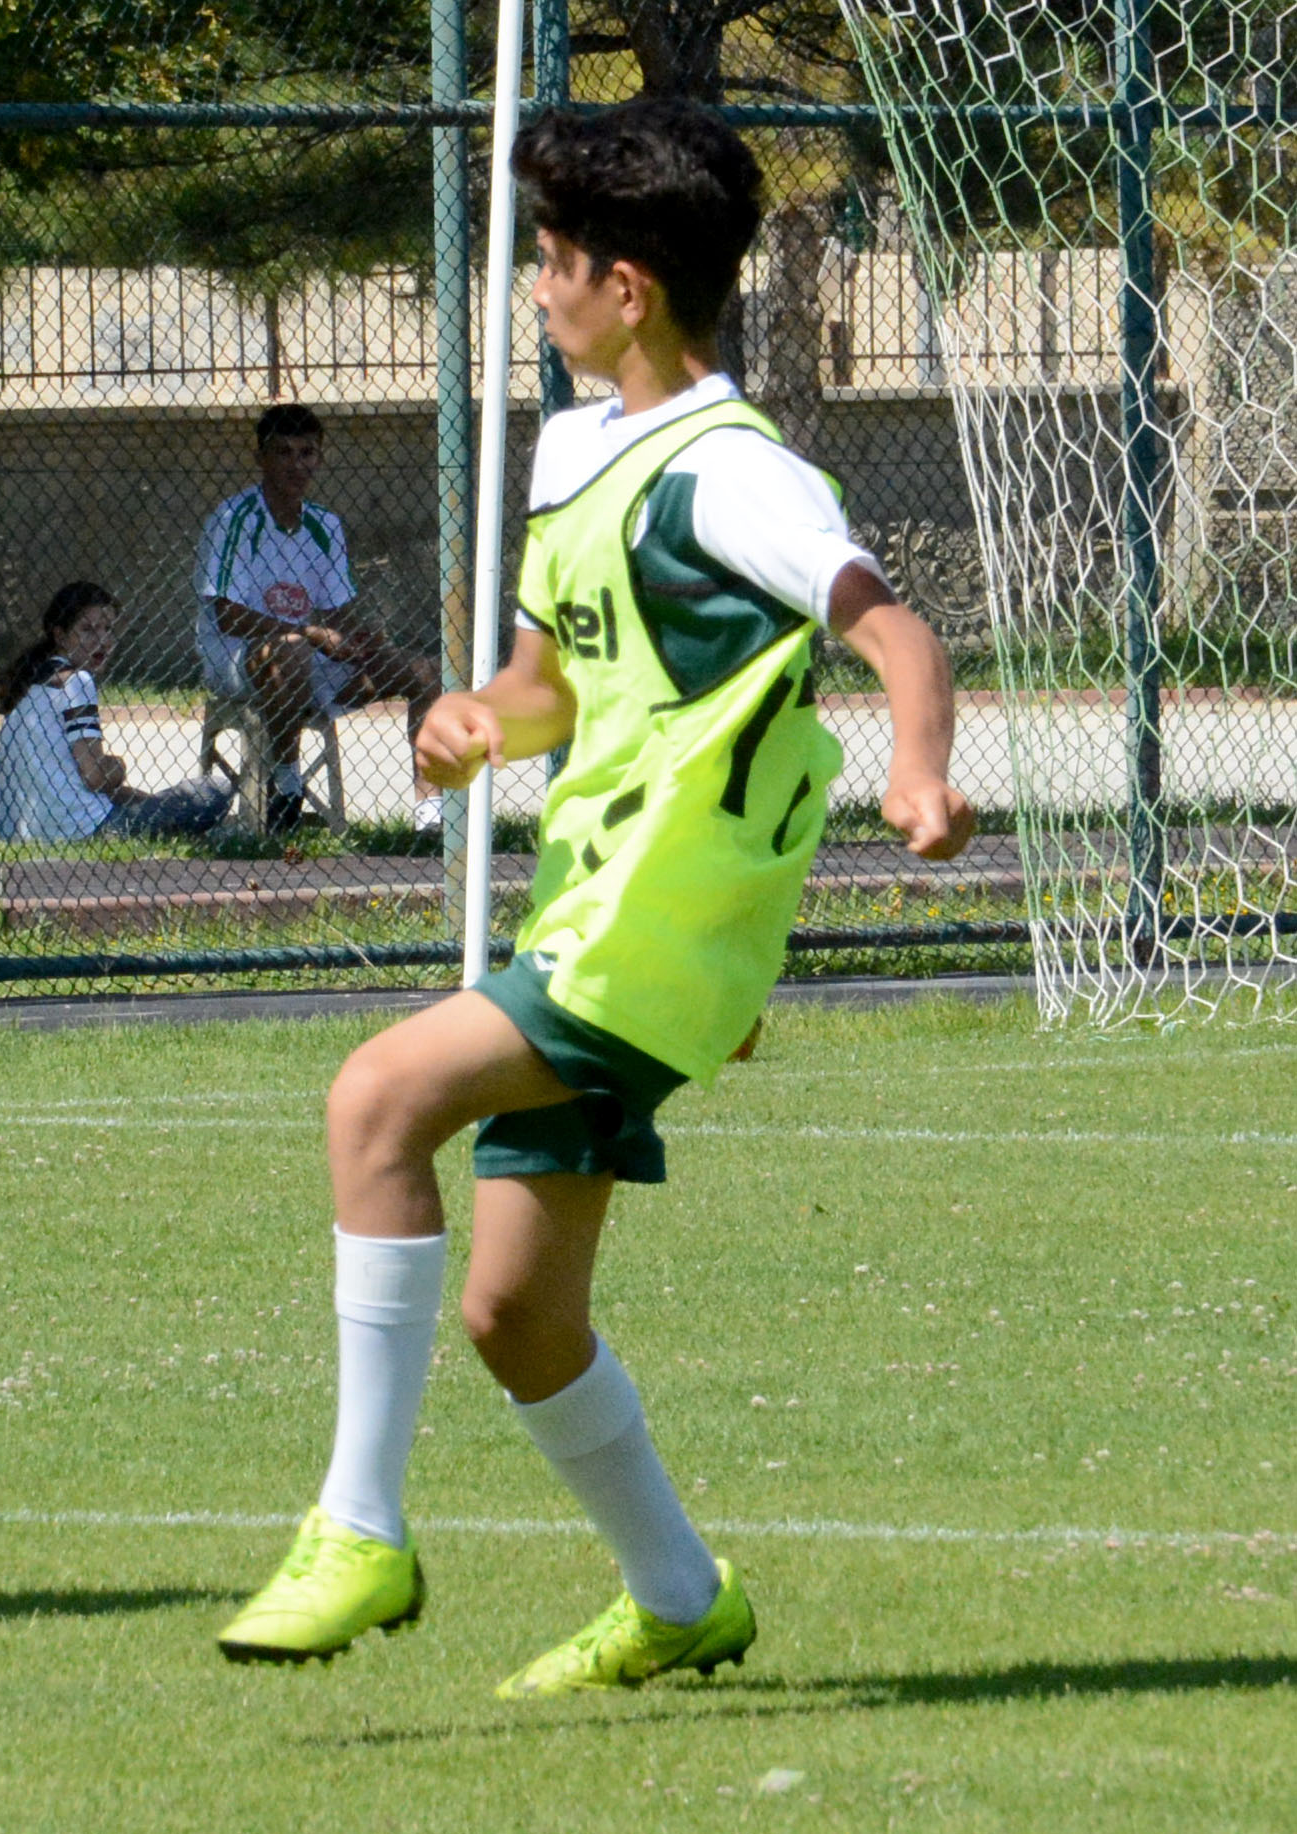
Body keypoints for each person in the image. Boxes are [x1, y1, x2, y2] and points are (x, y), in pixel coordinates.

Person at [212, 99, 975, 1695]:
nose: (535, 290)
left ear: (626, 287)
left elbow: (892, 630)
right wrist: (478, 718)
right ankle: (680, 1594)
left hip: (654, 926)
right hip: (590, 900)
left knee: (373, 1102)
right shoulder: (574, 449)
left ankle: (358, 1524)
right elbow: (550, 680)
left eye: (552, 263)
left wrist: (915, 771)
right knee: (514, 1315)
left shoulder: (734, 476)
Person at [194, 403, 442, 833]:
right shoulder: (234, 519)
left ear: (319, 459)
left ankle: (430, 816)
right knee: (291, 652)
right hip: (235, 657)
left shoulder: (325, 524)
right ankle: (286, 789)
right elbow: (227, 615)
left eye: (306, 453)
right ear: (261, 458)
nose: (296, 464)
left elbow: (336, 610)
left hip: (308, 657)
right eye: (284, 453)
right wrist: (310, 632)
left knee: (426, 673)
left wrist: (357, 637)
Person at [0, 581, 231, 842]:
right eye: (88, 630)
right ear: (60, 636)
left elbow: (77, 779)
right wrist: (118, 766)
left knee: (147, 802)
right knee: (215, 790)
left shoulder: (28, 685)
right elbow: (95, 775)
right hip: (85, 831)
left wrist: (142, 798)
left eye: (107, 629)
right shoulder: (77, 681)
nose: (103, 641)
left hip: (21, 835)